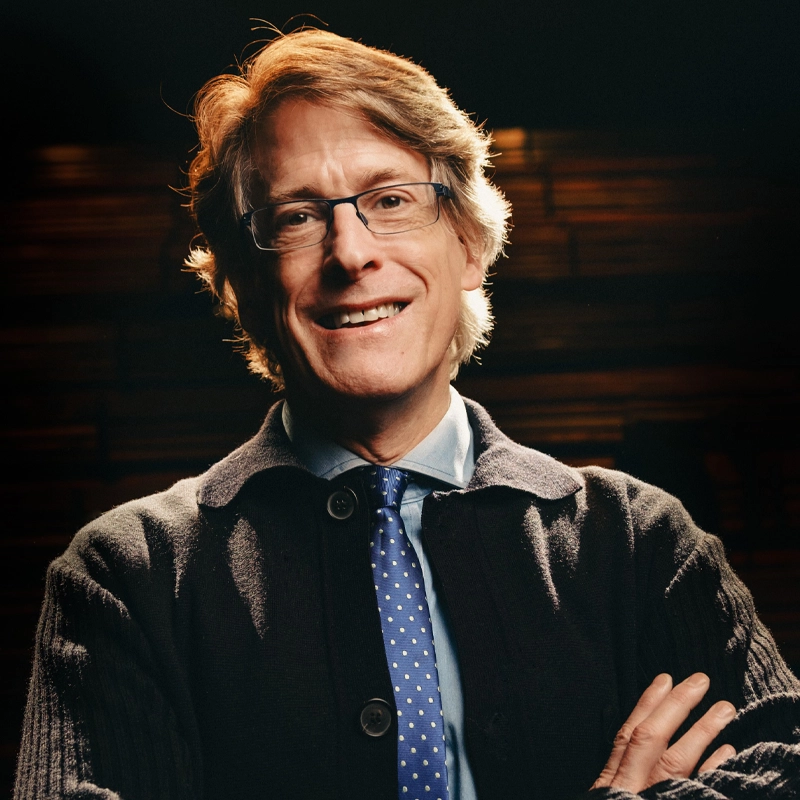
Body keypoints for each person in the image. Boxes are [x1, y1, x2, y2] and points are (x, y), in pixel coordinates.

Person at [14, 27, 800, 800]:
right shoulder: (126, 577)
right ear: (244, 287)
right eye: (295, 216)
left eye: (390, 200)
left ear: (470, 245)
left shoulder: (641, 542)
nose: (351, 253)